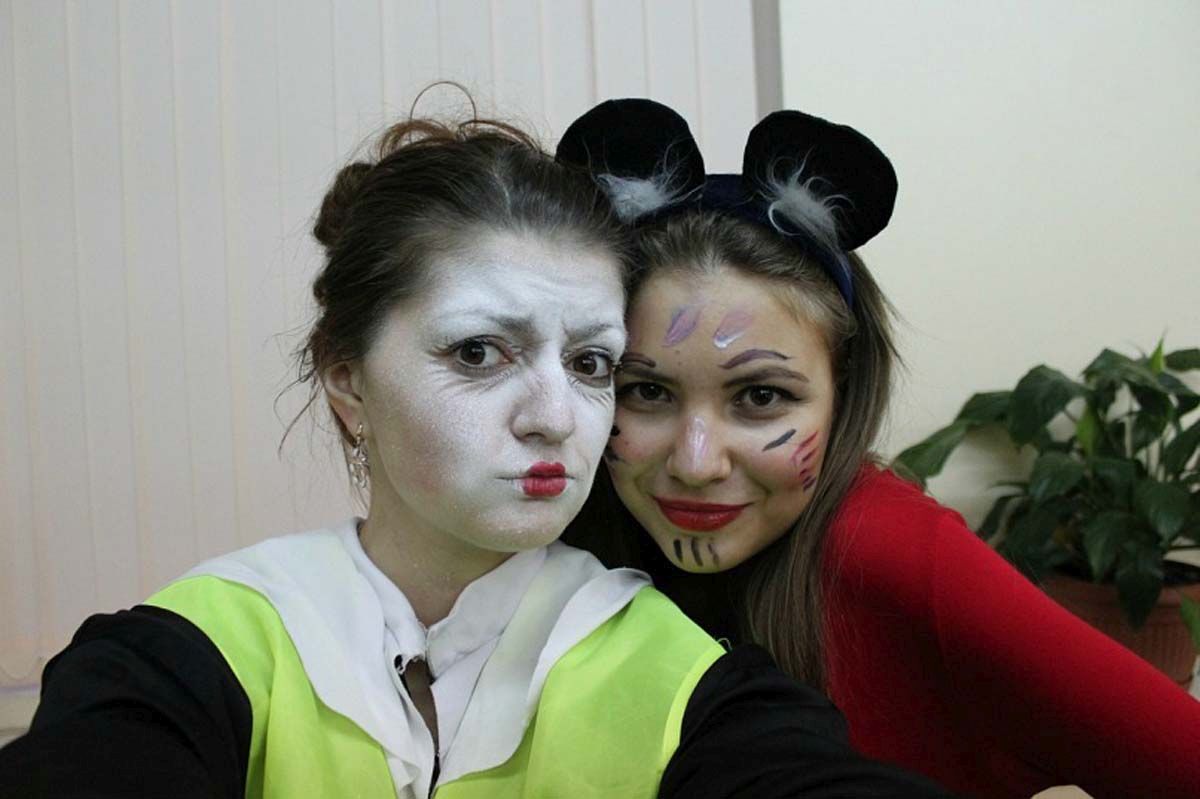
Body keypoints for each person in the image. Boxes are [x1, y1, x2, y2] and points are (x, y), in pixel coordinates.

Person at [0, 113, 955, 799]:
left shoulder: (689, 680)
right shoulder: (199, 647)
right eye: (478, 352)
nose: (554, 418)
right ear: (346, 379)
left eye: (592, 363)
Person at [558, 98, 1200, 799]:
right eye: (647, 391)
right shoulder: (556, 539)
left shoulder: (897, 551)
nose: (695, 461)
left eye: (761, 395)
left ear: (844, 389)